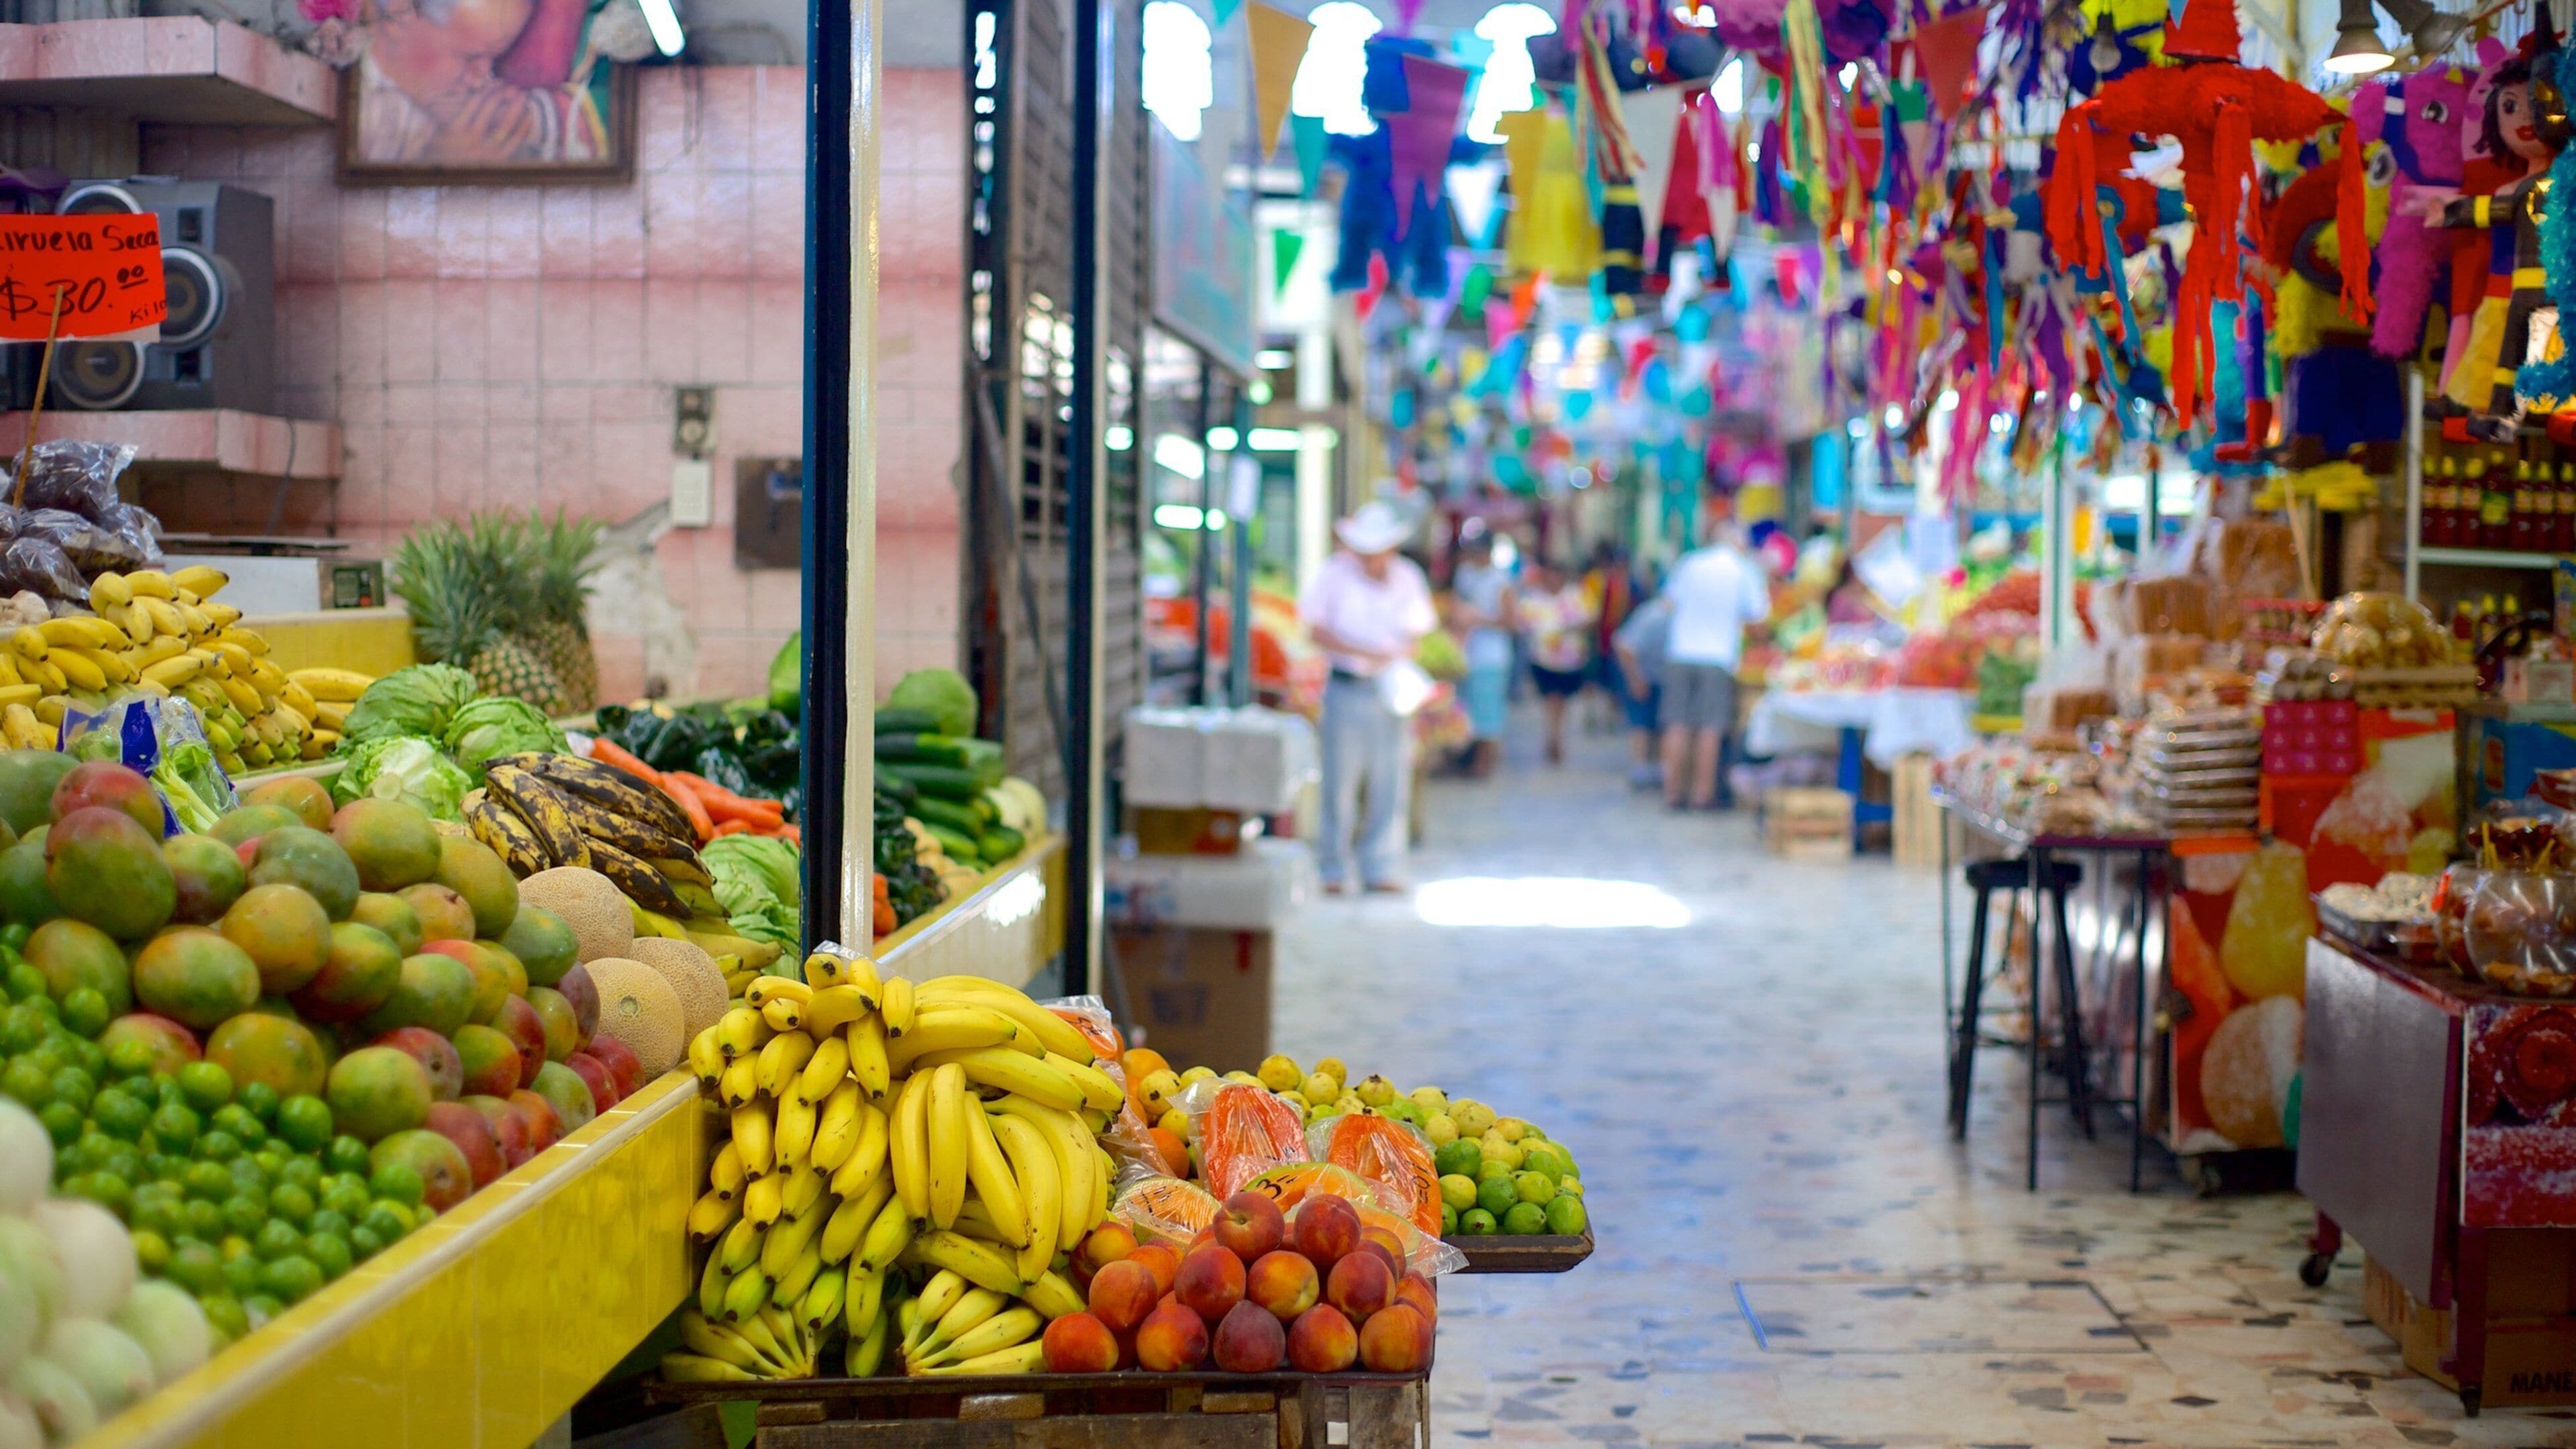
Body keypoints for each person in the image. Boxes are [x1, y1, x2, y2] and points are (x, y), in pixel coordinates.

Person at [1299, 501, 1437, 894]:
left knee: (1389, 783)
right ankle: (1332, 868)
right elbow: (1315, 629)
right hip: (1346, 688)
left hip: (1390, 693)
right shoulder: (1333, 574)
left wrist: (1393, 656)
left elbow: (1417, 633)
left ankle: (1381, 867)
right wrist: (1366, 652)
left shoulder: (1407, 578)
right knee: (1339, 783)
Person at [1659, 517, 1770, 810]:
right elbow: (1758, 621)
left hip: (1680, 651)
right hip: (1718, 656)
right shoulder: (1745, 570)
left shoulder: (1689, 563)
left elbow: (1667, 605)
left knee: (1677, 723)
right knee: (1710, 727)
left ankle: (1673, 792)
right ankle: (1702, 794)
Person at [1448, 530, 1514, 779]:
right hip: (1465, 653)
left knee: (1487, 713)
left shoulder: (1501, 580)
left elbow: (1511, 622)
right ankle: (1466, 759)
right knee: (1465, 710)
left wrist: (1479, 619)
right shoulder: (1465, 575)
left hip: (1491, 657)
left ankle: (1484, 763)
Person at [1517, 558, 1596, 764]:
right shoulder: (1534, 598)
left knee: (1561, 700)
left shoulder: (1575, 595)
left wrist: (1570, 628)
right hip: (1543, 658)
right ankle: (1553, 737)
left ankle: (1555, 735)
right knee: (1551, 699)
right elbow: (1523, 622)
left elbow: (1589, 619)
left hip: (1570, 659)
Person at [1611, 589, 1674, 791]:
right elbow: (1625, 647)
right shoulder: (1653, 616)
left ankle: (1656, 767)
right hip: (1642, 673)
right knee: (1641, 723)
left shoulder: (1667, 615)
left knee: (1660, 722)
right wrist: (1635, 679)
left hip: (1660, 676)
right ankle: (1640, 768)